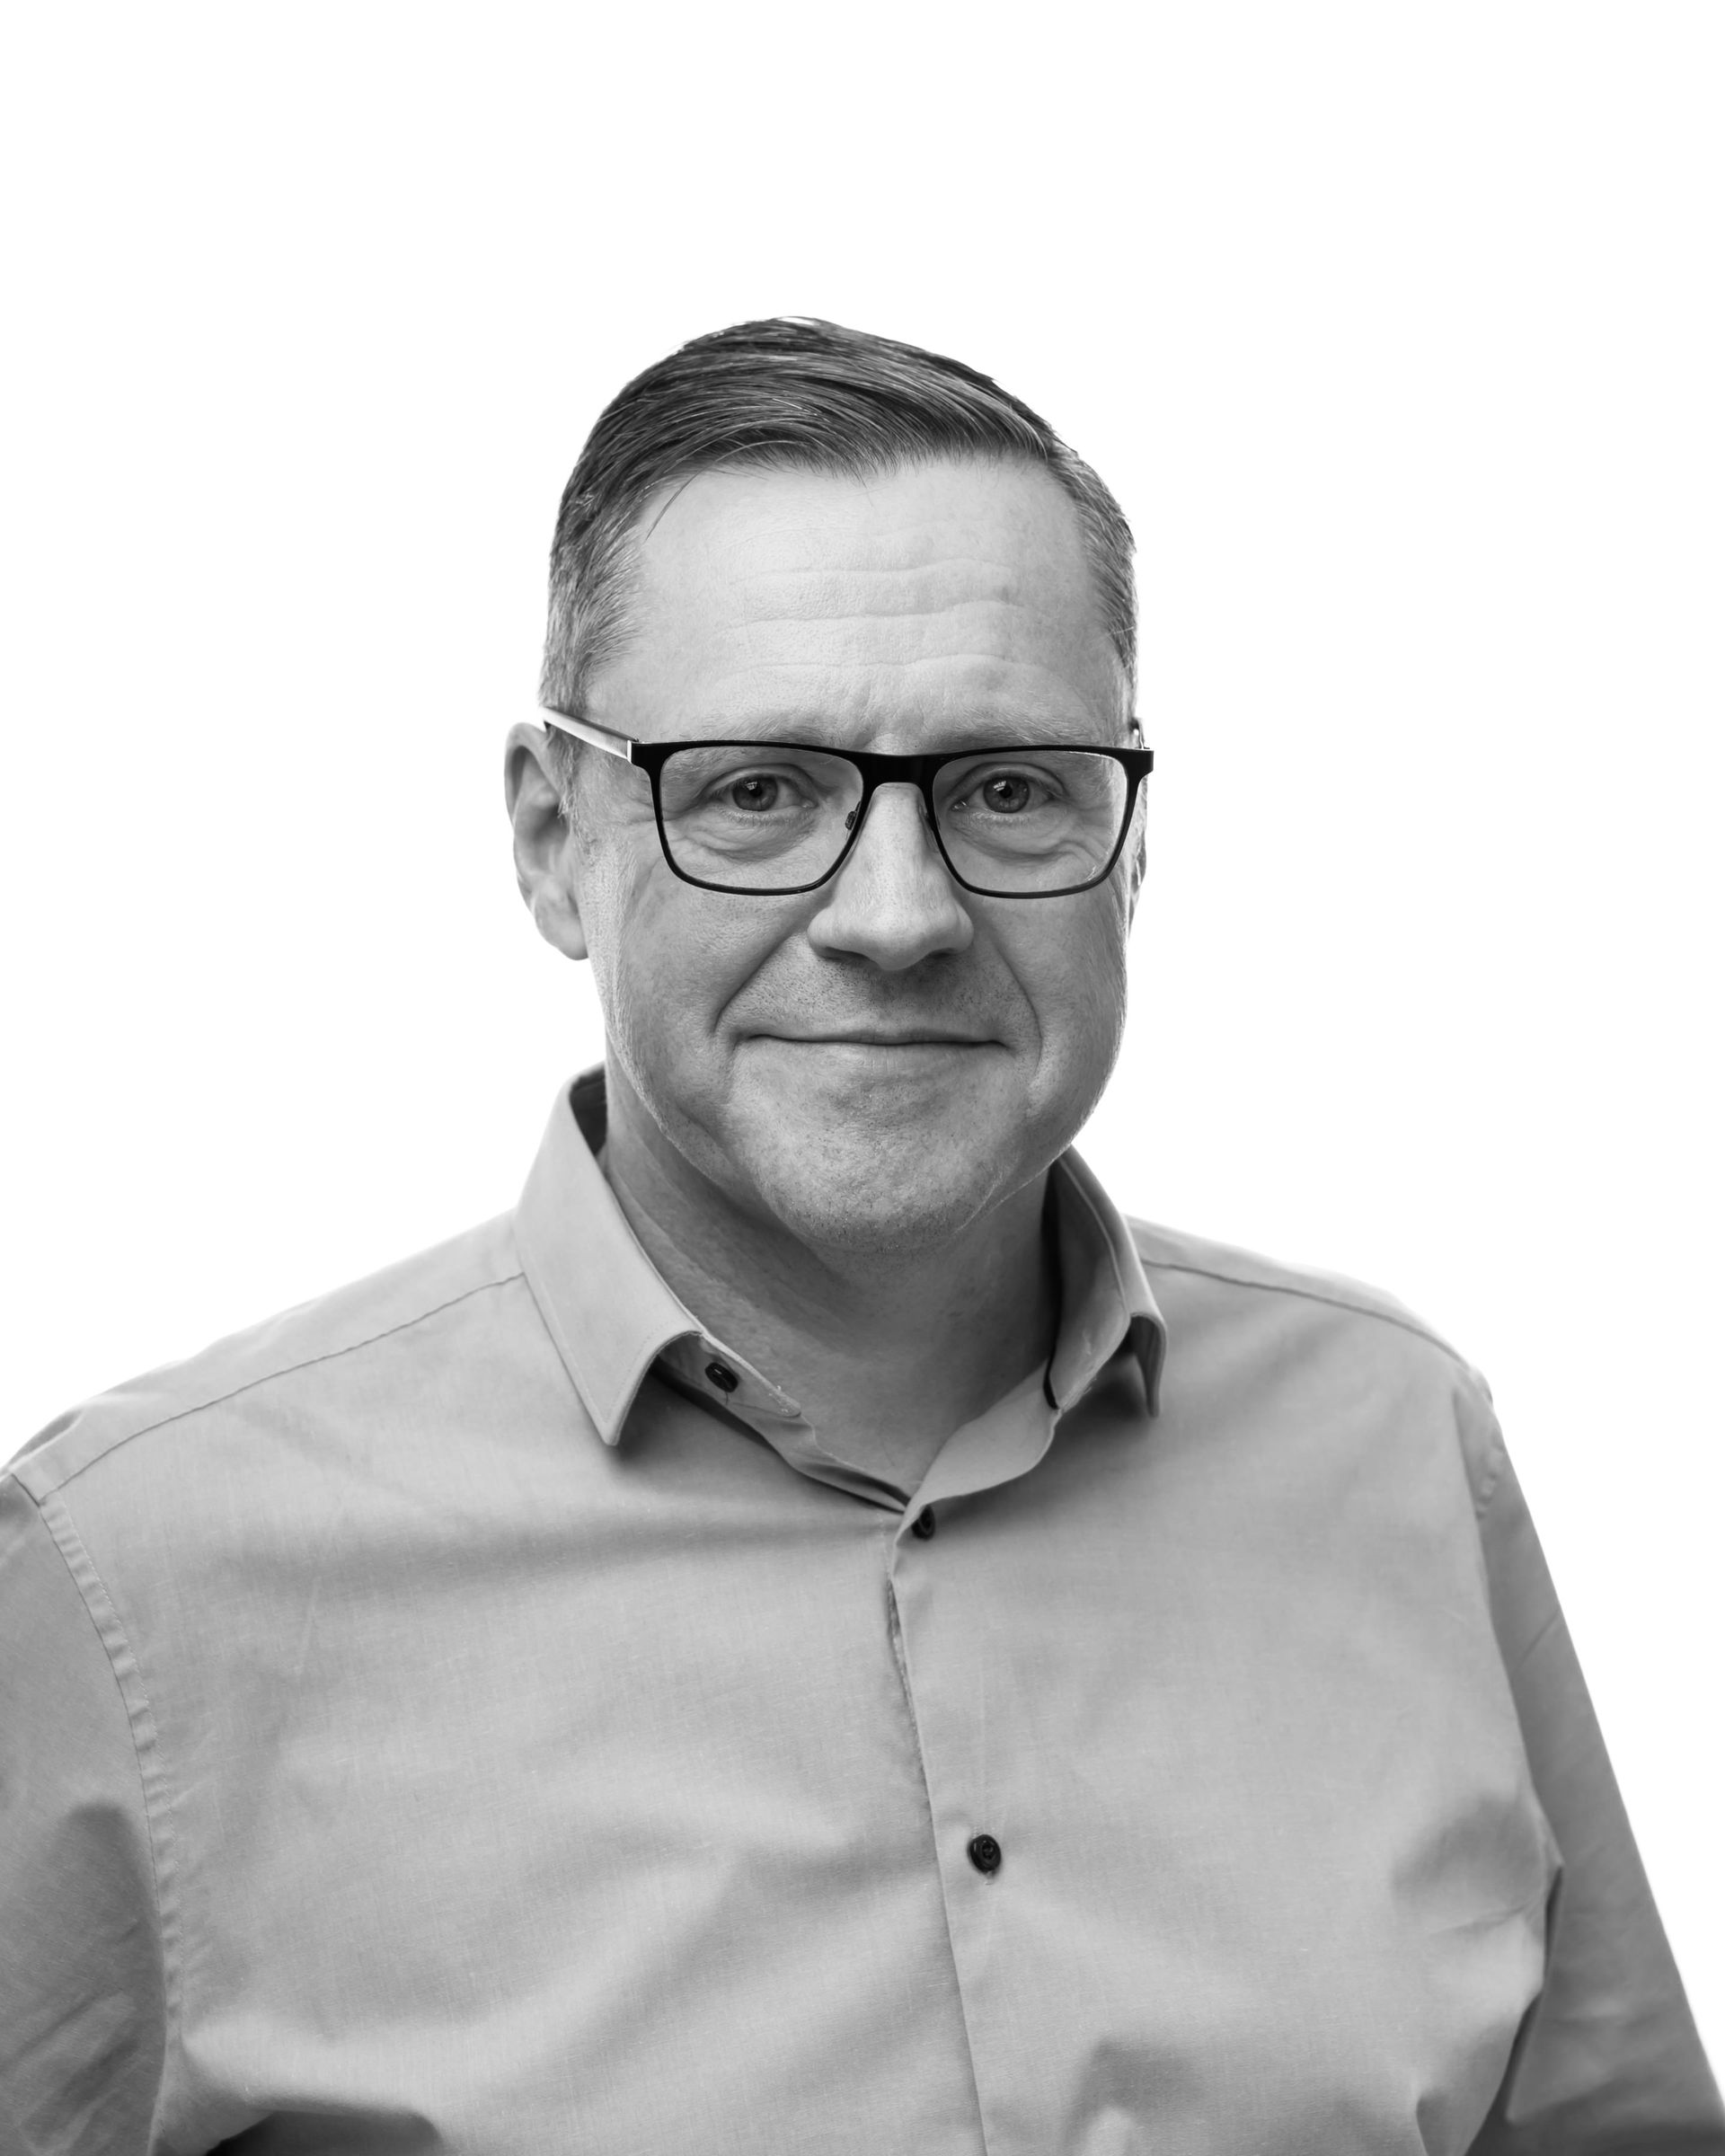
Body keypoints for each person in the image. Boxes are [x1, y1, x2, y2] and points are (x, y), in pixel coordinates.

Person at [1, 318, 1717, 2155]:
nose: (896, 917)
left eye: (1005, 788)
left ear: (1133, 846)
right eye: (758, 793)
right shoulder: (135, 1581)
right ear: (550, 839)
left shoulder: (1396, 1443)